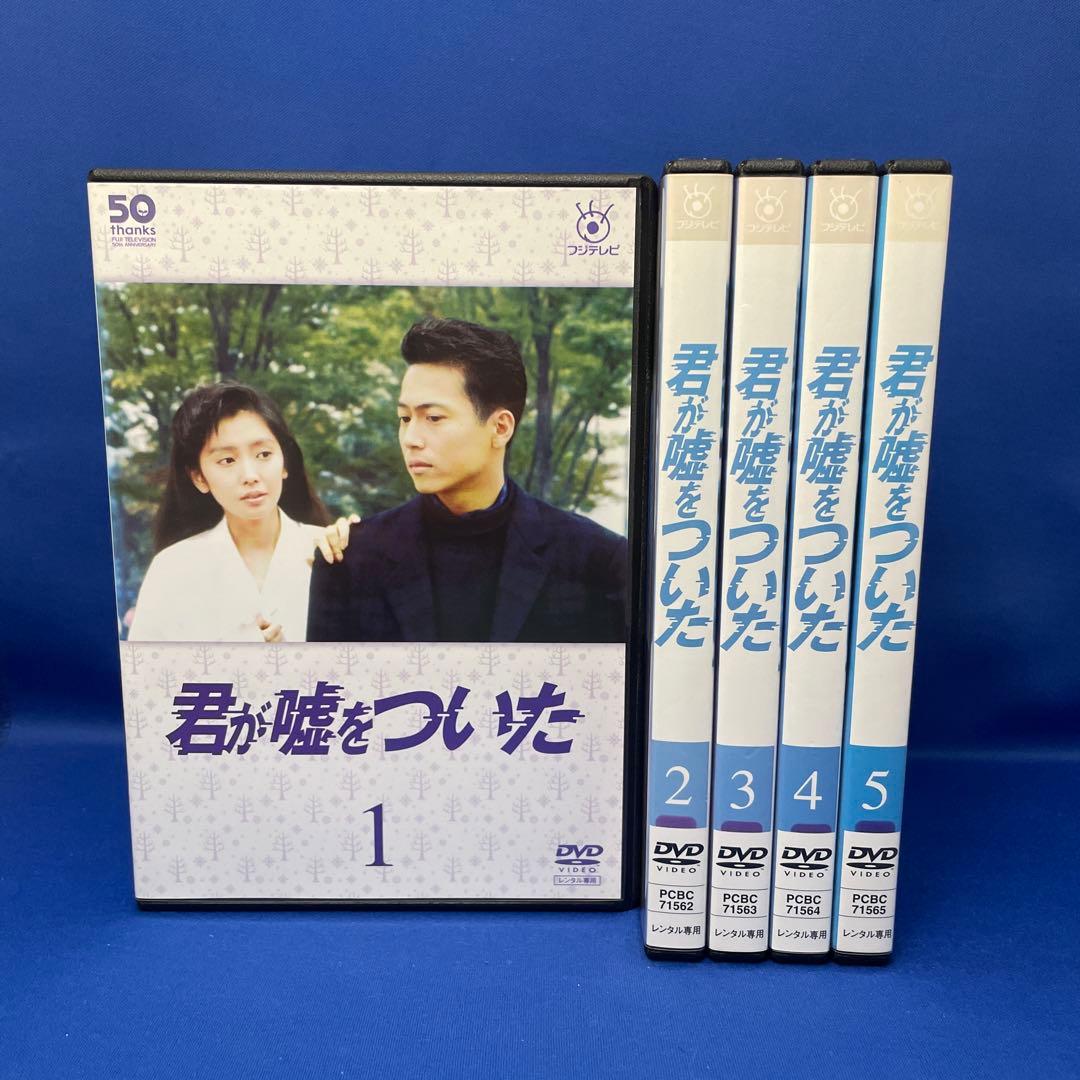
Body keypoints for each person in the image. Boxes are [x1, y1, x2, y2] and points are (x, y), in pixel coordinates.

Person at [307, 317, 627, 644]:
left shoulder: (596, 560)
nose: (411, 438)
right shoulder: (351, 558)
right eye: (404, 418)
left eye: (434, 418)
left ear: (500, 428)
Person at [129, 383, 352, 643]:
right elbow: (143, 666)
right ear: (199, 477)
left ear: (285, 462)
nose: (250, 475)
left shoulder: (332, 551)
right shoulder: (172, 569)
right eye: (227, 460)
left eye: (264, 454)